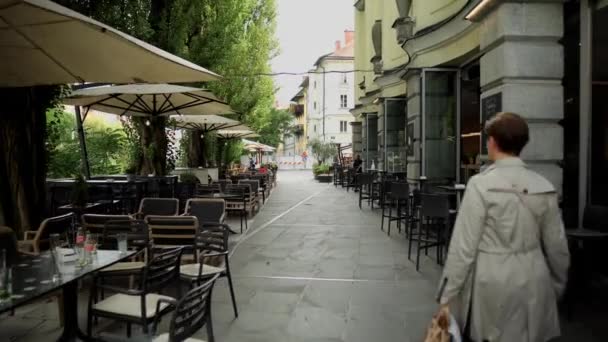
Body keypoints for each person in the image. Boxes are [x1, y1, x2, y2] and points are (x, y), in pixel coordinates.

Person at [438, 112, 570, 342]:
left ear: (492, 142)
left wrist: (447, 295)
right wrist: (556, 286)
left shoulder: (481, 185)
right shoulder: (543, 186)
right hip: (535, 277)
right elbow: (557, 247)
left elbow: (463, 247)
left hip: (493, 281)